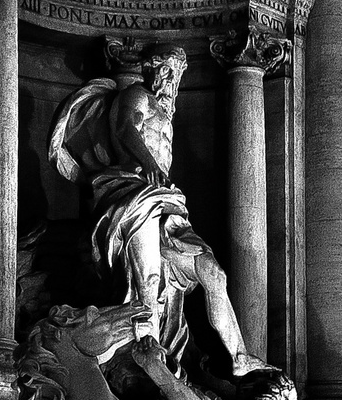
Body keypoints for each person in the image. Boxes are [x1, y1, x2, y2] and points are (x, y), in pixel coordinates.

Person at [49, 44, 266, 377]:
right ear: (150, 71)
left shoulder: (166, 111)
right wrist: (148, 164)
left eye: (175, 73)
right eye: (164, 70)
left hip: (166, 201)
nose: (169, 79)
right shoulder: (136, 96)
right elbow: (125, 129)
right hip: (137, 193)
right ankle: (148, 368)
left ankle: (239, 357)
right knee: (147, 282)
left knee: (212, 273)